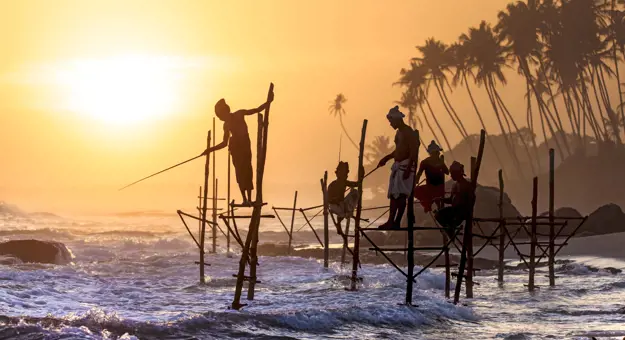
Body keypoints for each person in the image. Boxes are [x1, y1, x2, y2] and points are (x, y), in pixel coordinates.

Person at [203, 91, 274, 205]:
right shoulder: (226, 125)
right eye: (221, 117)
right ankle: (245, 199)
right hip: (235, 147)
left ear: (227, 111)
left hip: (245, 144)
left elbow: (256, 110)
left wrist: (268, 102)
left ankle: (250, 199)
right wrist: (209, 150)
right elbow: (224, 143)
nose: (223, 118)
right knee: (239, 173)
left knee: (248, 170)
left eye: (222, 115)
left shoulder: (239, 114)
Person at [377, 106, 418, 229]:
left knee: (401, 195)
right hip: (398, 165)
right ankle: (391, 220)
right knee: (394, 195)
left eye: (391, 122)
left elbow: (413, 151)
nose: (390, 124)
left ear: (397, 120)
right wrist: (387, 158)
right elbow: (398, 150)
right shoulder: (398, 133)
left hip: (406, 166)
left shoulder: (408, 132)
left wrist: (409, 167)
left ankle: (397, 221)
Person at [435, 161, 475, 236]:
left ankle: (451, 228)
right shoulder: (454, 185)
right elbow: (451, 200)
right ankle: (450, 229)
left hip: (461, 212)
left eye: (452, 173)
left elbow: (472, 200)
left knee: (450, 217)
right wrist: (441, 199)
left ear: (457, 173)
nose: (451, 176)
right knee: (438, 214)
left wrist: (468, 212)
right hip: (455, 210)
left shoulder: (466, 185)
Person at [414, 141, 449, 213]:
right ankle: (428, 205)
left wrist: (442, 164)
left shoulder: (439, 161)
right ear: (432, 153)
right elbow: (419, 174)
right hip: (430, 187)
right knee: (416, 191)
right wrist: (415, 182)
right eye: (437, 152)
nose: (439, 153)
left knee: (438, 198)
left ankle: (435, 207)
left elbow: (447, 172)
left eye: (438, 152)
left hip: (439, 188)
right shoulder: (425, 162)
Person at [327, 161, 359, 234]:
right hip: (334, 206)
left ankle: (339, 222)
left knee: (355, 192)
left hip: (341, 205)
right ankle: (340, 223)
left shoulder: (344, 182)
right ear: (337, 173)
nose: (345, 175)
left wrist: (361, 177)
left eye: (346, 173)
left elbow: (355, 184)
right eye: (343, 173)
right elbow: (328, 200)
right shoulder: (332, 185)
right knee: (343, 209)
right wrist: (335, 200)